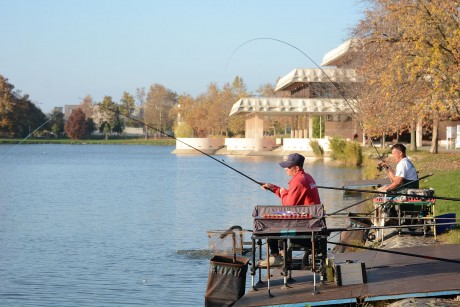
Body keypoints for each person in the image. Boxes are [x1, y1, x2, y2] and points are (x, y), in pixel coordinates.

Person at [259, 153, 321, 266]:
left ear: (297, 168)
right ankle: (282, 253)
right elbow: (292, 197)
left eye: (288, 167)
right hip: (312, 222)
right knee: (278, 220)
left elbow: (289, 204)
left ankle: (276, 256)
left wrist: (282, 192)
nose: (285, 169)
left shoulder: (297, 180)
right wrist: (274, 188)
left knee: (269, 226)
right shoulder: (307, 177)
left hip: (305, 227)